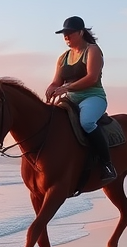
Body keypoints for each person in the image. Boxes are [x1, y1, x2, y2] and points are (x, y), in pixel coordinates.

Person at [45, 15, 117, 183]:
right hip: (70, 98)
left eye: (70, 33)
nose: (66, 37)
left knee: (86, 122)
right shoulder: (63, 57)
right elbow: (57, 81)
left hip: (93, 96)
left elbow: (92, 78)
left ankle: (107, 164)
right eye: (64, 34)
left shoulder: (92, 50)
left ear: (81, 32)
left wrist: (66, 88)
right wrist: (51, 88)